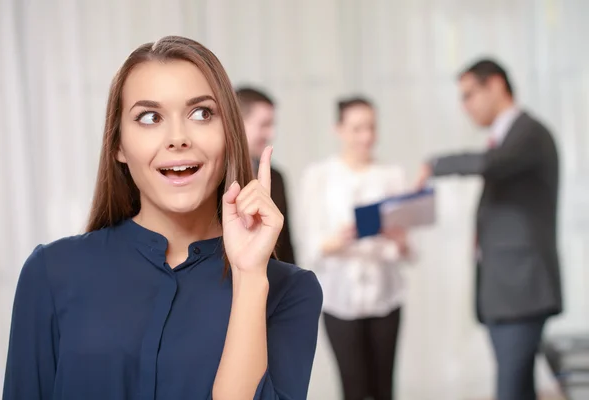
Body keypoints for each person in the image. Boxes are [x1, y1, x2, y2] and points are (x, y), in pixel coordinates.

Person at [3, 36, 323, 400]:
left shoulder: (289, 291)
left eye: (201, 113)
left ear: (230, 135)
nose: (177, 138)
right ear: (118, 145)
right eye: (149, 117)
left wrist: (249, 277)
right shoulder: (51, 272)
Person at [415, 59, 562, 400]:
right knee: (519, 390)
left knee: (510, 391)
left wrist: (435, 165)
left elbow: (493, 164)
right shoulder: (509, 137)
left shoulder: (529, 133)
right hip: (506, 292)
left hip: (522, 291)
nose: (464, 106)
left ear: (495, 85)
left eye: (469, 95)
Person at [300, 97, 410, 400]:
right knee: (353, 388)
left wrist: (397, 239)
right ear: (339, 129)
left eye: (371, 127)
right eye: (357, 128)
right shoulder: (318, 176)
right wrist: (340, 239)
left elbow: (409, 251)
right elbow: (310, 246)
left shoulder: (393, 175)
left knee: (384, 387)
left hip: (386, 297)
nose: (366, 136)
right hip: (339, 300)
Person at [235, 87, 295, 264]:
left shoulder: (276, 177)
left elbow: (286, 246)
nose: (271, 134)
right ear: (238, 122)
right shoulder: (215, 177)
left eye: (271, 125)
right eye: (264, 125)